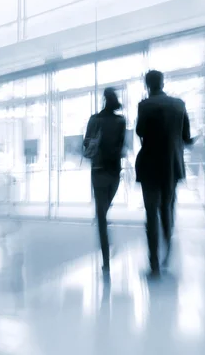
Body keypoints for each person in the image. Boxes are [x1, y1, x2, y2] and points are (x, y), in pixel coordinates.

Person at [136, 70, 197, 276]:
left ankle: (153, 263)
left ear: (147, 85)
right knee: (168, 208)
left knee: (151, 213)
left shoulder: (144, 105)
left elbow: (140, 131)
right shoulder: (179, 104)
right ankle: (167, 255)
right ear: (163, 83)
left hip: (150, 165)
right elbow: (187, 137)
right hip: (172, 165)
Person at [83, 87, 126, 274]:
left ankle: (106, 259)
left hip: (98, 170)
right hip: (114, 171)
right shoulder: (120, 121)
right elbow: (121, 146)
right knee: (103, 211)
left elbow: (86, 144)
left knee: (101, 216)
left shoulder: (94, 120)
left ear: (103, 100)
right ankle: (107, 248)